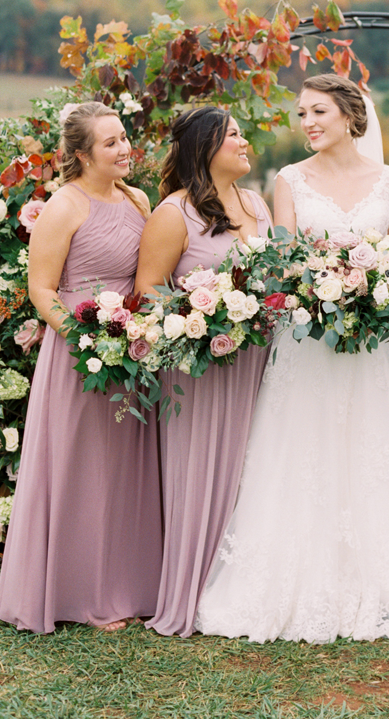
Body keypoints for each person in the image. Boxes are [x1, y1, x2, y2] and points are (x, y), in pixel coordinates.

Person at [196, 74, 389, 643]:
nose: (306, 123)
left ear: (352, 115)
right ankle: (290, 583)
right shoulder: (289, 180)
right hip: (308, 342)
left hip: (371, 346)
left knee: (371, 451)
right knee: (302, 453)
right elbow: (284, 264)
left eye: (318, 112)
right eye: (301, 113)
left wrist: (374, 289)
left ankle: (377, 584)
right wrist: (322, 288)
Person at [0, 102, 162, 633]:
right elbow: (40, 289)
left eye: (124, 137)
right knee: (80, 470)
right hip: (78, 357)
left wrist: (133, 333)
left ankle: (126, 587)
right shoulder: (63, 206)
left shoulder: (138, 199)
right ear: (82, 154)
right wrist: (85, 341)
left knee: (122, 470)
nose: (124, 148)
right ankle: (77, 593)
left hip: (129, 350)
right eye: (110, 142)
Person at [134, 106, 272, 637]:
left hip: (254, 358)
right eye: (233, 134)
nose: (243, 140)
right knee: (201, 471)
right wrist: (198, 314)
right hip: (198, 365)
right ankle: (189, 591)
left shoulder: (257, 205)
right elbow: (148, 289)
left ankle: (237, 588)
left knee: (248, 470)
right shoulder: (175, 213)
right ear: (205, 148)